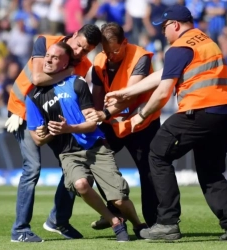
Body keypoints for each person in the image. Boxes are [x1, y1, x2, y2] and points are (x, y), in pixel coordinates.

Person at [104, 5, 227, 241]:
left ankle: (167, 223)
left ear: (175, 25)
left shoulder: (179, 47)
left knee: (157, 153)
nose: (163, 32)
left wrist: (139, 116)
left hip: (200, 110)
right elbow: (162, 74)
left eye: (165, 27)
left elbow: (162, 93)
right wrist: (126, 93)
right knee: (210, 170)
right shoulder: (205, 41)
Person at [25, 42, 147, 242]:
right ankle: (115, 222)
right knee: (81, 184)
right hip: (68, 153)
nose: (48, 59)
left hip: (95, 147)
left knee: (119, 198)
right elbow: (38, 140)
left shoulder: (76, 83)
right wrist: (52, 132)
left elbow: (92, 124)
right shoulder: (32, 96)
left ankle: (137, 224)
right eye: (47, 55)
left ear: (65, 63)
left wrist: (68, 128)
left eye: (55, 57)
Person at [5, 24, 102, 243]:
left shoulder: (84, 64)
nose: (79, 53)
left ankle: (58, 220)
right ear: (74, 34)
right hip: (22, 113)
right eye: (78, 46)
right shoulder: (45, 41)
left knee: (73, 167)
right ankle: (19, 229)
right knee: (32, 168)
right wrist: (68, 72)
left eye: (85, 51)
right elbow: (37, 79)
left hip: (55, 118)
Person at [85, 22, 160, 229]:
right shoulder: (100, 60)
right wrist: (93, 118)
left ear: (125, 42)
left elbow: (131, 94)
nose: (110, 56)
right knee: (98, 162)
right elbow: (97, 94)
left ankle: (156, 223)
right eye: (106, 51)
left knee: (149, 172)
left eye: (115, 51)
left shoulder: (140, 57)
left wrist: (105, 113)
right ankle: (115, 211)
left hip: (142, 123)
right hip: (113, 123)